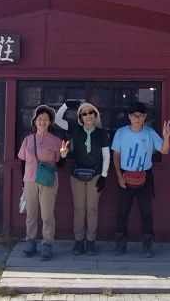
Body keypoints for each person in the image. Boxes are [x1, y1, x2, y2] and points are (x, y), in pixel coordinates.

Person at [112, 101, 170, 258]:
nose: (136, 118)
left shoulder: (150, 133)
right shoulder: (121, 133)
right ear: (129, 117)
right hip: (126, 175)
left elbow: (164, 150)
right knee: (122, 211)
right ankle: (120, 245)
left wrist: (166, 137)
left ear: (144, 117)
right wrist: (119, 176)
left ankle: (147, 245)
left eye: (140, 116)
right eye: (133, 115)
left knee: (146, 212)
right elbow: (116, 155)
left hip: (144, 176)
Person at [55, 100, 110, 256]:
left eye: (91, 112)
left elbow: (106, 156)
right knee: (79, 209)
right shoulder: (75, 129)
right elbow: (57, 120)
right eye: (84, 114)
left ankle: (91, 241)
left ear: (95, 115)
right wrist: (66, 105)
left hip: (95, 174)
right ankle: (79, 241)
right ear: (80, 117)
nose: (88, 116)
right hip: (77, 174)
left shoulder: (101, 133)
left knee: (92, 209)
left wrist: (104, 175)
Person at [18, 105, 65, 261]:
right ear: (34, 121)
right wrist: (23, 182)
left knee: (47, 214)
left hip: (47, 181)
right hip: (30, 180)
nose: (42, 122)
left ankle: (47, 244)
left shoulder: (56, 141)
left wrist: (64, 155)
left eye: (45, 119)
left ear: (50, 122)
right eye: (39, 119)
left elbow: (61, 164)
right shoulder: (27, 140)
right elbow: (22, 163)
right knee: (31, 213)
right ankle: (30, 242)